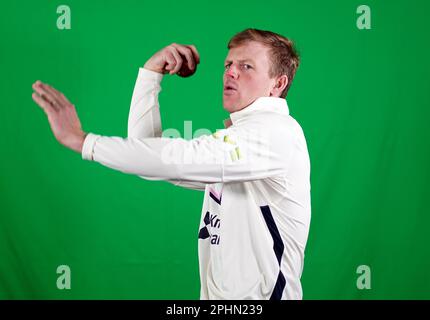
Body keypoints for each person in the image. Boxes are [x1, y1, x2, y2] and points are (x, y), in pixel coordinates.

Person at [31, 28, 311, 300]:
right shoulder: (240, 140)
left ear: (278, 84)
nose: (231, 72)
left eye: (246, 66)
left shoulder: (277, 133)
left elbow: (173, 159)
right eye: (228, 64)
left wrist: (83, 141)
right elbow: (150, 156)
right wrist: (151, 74)